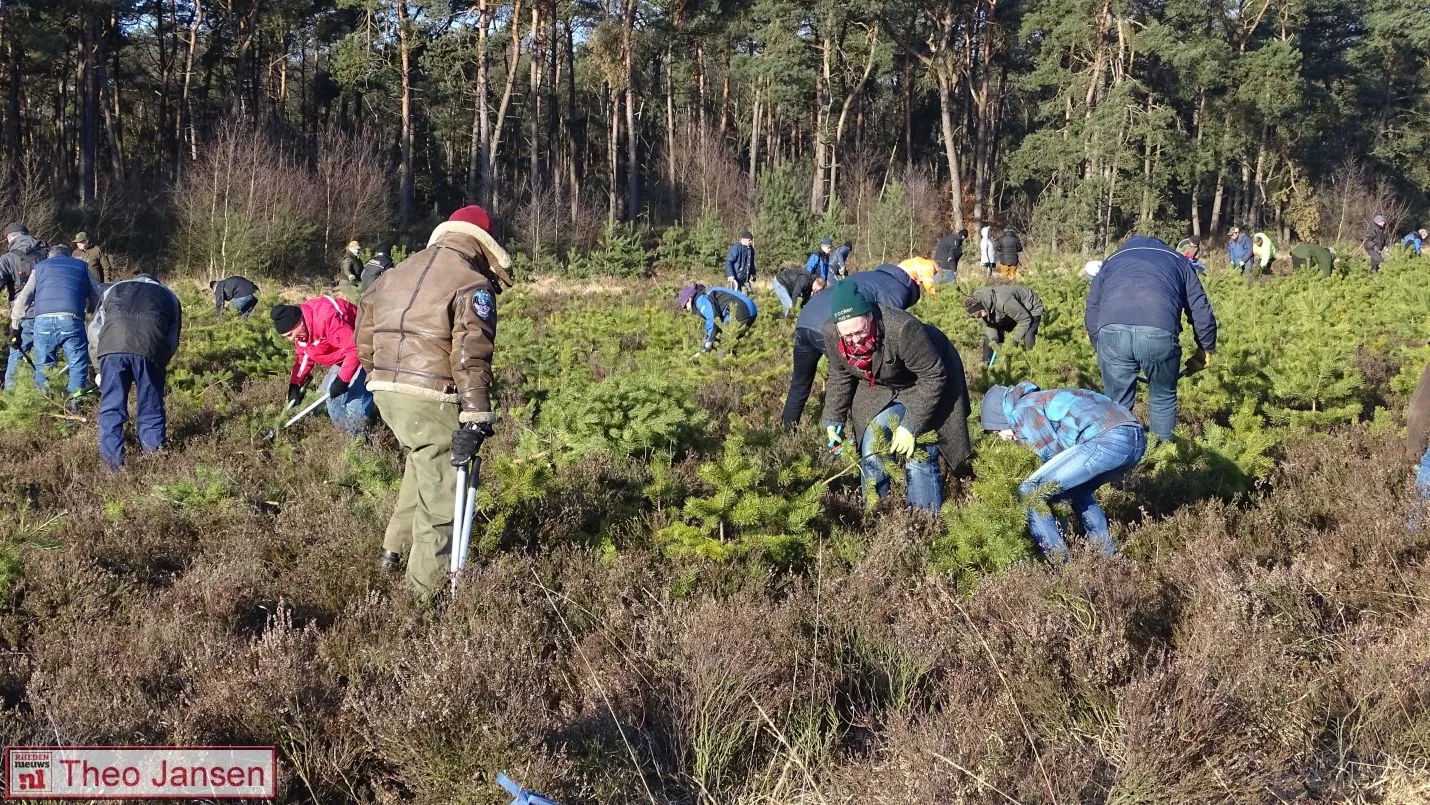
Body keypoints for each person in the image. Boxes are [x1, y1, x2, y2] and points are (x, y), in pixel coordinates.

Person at [357, 205, 512, 591]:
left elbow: (364, 336)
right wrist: (476, 418)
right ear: (482, 246)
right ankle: (420, 599)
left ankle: (392, 551)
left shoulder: (395, 272)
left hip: (386, 392)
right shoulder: (471, 283)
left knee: (420, 464)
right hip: (431, 394)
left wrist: (380, 377)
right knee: (443, 498)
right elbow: (470, 356)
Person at [820, 282, 970, 511]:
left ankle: (924, 519)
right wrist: (833, 420)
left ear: (869, 316)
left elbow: (933, 377)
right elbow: (840, 374)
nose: (856, 340)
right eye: (848, 335)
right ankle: (876, 515)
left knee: (918, 450)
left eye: (860, 331)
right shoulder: (832, 333)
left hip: (928, 379)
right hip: (882, 384)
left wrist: (910, 426)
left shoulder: (901, 328)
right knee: (872, 446)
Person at [979, 382, 1146, 561]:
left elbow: (1052, 454)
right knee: (1076, 489)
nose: (1002, 437)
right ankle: (1107, 557)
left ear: (1000, 416)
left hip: (1108, 439)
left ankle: (1059, 565)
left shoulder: (1022, 410)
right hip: (1135, 438)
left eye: (998, 430)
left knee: (1031, 492)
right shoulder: (1039, 399)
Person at [1085, 235, 1217, 442]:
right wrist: (1205, 348)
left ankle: (1118, 460)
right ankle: (1162, 461)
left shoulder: (1113, 259)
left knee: (1117, 404)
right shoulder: (1178, 261)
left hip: (1111, 332)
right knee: (1162, 399)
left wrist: (1099, 344)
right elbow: (1200, 309)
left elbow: (1092, 308)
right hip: (1159, 332)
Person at [782, 263, 922, 429]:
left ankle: (787, 430)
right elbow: (889, 327)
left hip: (805, 320)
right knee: (851, 376)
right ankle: (851, 432)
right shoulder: (900, 291)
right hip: (834, 325)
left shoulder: (872, 275)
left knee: (799, 383)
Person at [91, 269, 182, 470]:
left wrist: (99, 368)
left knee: (111, 408)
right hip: (150, 348)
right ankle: (153, 463)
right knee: (150, 407)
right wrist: (159, 363)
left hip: (111, 348)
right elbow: (172, 338)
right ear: (156, 281)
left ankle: (112, 467)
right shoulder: (169, 296)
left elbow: (94, 329)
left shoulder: (114, 289)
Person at [9, 244, 102, 406]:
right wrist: (91, 314)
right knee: (77, 364)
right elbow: (97, 296)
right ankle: (74, 407)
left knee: (44, 365)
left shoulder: (40, 267)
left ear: (49, 257)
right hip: (71, 319)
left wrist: (15, 327)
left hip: (42, 320)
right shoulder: (81, 266)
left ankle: (45, 407)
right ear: (69, 256)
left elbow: (23, 299)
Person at [271, 296, 374, 436]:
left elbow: (354, 349)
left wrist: (342, 380)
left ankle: (359, 444)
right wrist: (295, 384)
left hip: (365, 348)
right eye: (286, 337)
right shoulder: (302, 331)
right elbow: (304, 355)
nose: (291, 339)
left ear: (299, 322)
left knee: (354, 404)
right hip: (344, 354)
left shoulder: (327, 316)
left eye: (291, 334)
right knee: (332, 400)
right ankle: (344, 439)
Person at [0, 223, 48, 390]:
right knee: (47, 356)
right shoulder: (48, 253)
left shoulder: (7, 258)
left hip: (23, 315)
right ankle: (46, 396)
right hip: (49, 313)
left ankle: (12, 397)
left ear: (10, 237)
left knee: (17, 353)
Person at [964, 284, 1045, 367]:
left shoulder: (1004, 301)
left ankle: (1033, 366)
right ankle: (988, 368)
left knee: (1028, 337)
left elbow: (1025, 319)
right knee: (989, 341)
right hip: (1011, 312)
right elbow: (990, 325)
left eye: (980, 314)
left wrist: (1014, 339)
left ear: (983, 305)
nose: (980, 317)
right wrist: (994, 340)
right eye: (977, 316)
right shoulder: (983, 304)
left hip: (1030, 307)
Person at [677, 283, 757, 352]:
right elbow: (718, 321)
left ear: (690, 298)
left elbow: (712, 318)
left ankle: (724, 368)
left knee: (723, 348)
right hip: (750, 310)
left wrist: (709, 342)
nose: (686, 308)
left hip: (742, 311)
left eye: (685, 305)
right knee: (730, 344)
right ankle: (733, 368)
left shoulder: (700, 299)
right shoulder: (704, 292)